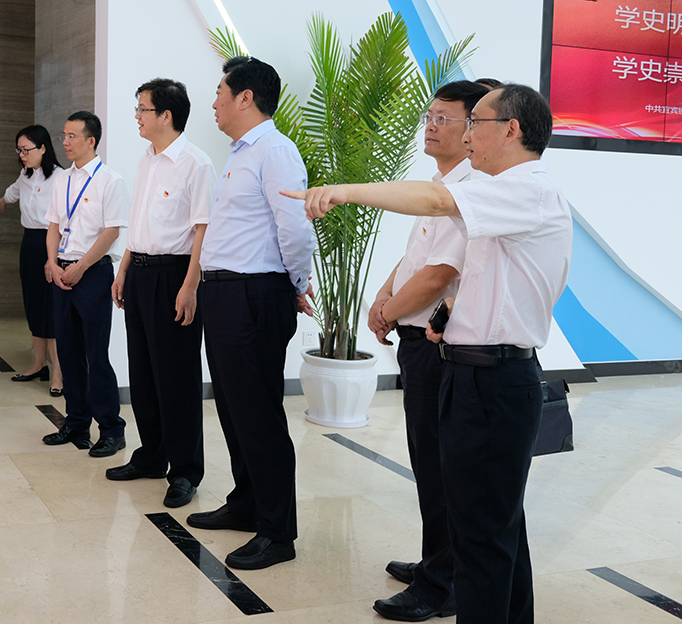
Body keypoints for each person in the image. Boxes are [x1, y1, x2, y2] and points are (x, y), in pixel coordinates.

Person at [284, 84, 573, 624]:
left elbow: (437, 207)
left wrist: (344, 191)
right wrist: (444, 323)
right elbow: (479, 283)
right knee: (492, 528)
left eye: (475, 122)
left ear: (511, 130)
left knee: (482, 540)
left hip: (495, 380)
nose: (466, 134)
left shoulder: (527, 189)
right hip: (473, 371)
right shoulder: (501, 193)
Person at [366, 80, 491, 622]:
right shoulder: (439, 185)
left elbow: (440, 275)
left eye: (445, 117)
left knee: (442, 469)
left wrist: (389, 313)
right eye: (429, 116)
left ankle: (442, 585)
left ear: (472, 130)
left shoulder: (468, 193)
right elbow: (414, 259)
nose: (431, 125)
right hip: (415, 339)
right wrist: (383, 298)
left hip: (440, 347)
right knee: (428, 462)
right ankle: (436, 562)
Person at [185, 57, 315, 571]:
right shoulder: (240, 153)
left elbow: (296, 228)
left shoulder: (275, 151)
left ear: (245, 97)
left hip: (254, 295)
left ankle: (278, 532)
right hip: (225, 294)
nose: (214, 102)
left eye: (220, 92)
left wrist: (294, 285)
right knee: (234, 409)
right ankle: (246, 503)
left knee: (259, 414)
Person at [106, 78, 215, 508]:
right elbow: (138, 222)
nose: (137, 116)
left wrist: (190, 286)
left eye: (143, 109)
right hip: (140, 273)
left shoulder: (196, 163)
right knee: (144, 371)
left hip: (175, 277)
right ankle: (152, 455)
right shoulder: (147, 159)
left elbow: (203, 230)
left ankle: (185, 470)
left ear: (166, 115)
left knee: (177, 377)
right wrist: (123, 269)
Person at [41, 111, 129, 457]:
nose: (65, 142)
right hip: (61, 273)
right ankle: (76, 422)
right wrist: (52, 262)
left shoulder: (110, 180)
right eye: (63, 135)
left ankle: (111, 430)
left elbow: (111, 232)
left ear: (91, 140)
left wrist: (81, 267)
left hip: (91, 274)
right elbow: (53, 226)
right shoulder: (62, 179)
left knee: (95, 354)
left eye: (72, 136)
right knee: (68, 352)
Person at [0, 124, 64, 396]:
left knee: (51, 309)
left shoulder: (60, 177)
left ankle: (58, 373)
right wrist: (2, 200)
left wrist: (53, 257)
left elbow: (65, 220)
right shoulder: (25, 175)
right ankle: (38, 364)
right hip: (30, 244)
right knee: (33, 305)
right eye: (19, 150)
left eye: (26, 150)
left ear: (43, 148)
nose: (22, 155)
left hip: (51, 244)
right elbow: (13, 192)